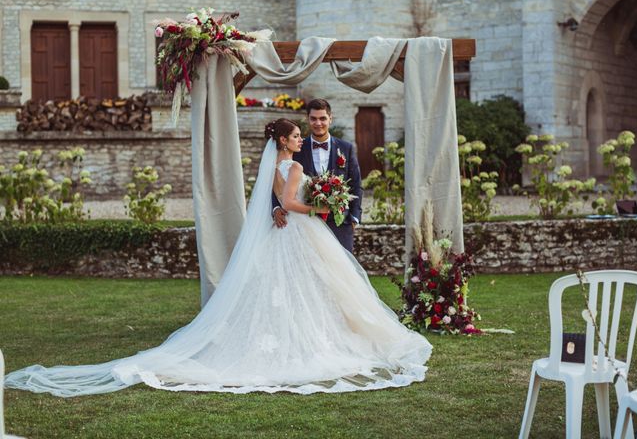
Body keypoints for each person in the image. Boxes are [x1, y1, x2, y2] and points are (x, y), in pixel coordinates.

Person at [5, 119, 430, 397]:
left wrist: (285, 208)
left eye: (302, 135)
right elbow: (289, 201)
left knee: (296, 288)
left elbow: (274, 199)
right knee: (318, 286)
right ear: (284, 141)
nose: (302, 139)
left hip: (286, 232)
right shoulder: (295, 169)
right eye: (297, 135)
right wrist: (319, 209)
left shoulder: (278, 166)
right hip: (302, 231)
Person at [273, 99, 362, 252]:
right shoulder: (296, 148)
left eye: (322, 118)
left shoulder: (346, 148)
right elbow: (279, 178)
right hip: (306, 222)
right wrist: (275, 208)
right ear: (308, 119)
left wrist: (354, 217)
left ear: (330, 118)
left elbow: (356, 184)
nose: (318, 123)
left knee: (340, 271)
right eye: (313, 118)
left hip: (340, 222)